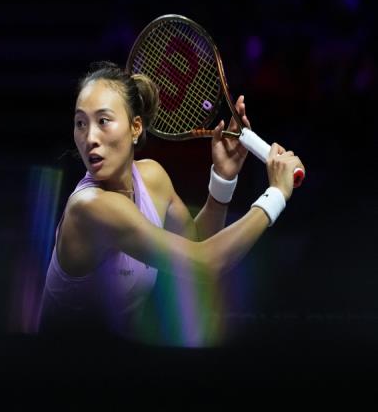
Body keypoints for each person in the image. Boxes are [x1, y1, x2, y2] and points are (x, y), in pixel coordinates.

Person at [38, 61, 304, 346]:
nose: (90, 137)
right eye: (81, 123)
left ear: (135, 127)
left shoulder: (152, 177)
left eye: (103, 121)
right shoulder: (89, 207)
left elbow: (195, 242)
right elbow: (204, 263)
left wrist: (223, 180)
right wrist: (276, 194)